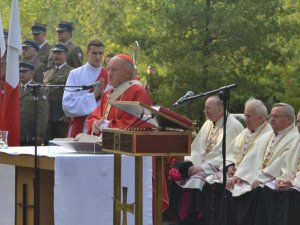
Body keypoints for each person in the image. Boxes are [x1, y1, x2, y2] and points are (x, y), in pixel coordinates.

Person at [169, 95, 243, 224]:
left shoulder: (233, 125)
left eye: (208, 108)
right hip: (202, 164)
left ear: (220, 110)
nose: (204, 111)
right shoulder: (208, 122)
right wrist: (190, 163)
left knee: (197, 178)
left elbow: (230, 155)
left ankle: (195, 216)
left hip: (220, 168)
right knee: (177, 170)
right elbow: (197, 148)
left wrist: (202, 167)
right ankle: (180, 214)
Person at [225, 102, 299, 225]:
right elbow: (251, 157)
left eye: (276, 116)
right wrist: (239, 175)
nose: (272, 119)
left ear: (288, 119)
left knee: (258, 191)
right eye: (271, 116)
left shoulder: (294, 137)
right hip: (257, 177)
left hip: (272, 178)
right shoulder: (267, 135)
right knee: (229, 186)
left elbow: (282, 163)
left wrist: (262, 179)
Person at [203, 98, 272, 225]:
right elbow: (231, 153)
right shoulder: (245, 132)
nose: (245, 118)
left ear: (262, 118)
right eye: (245, 115)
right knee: (210, 182)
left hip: (250, 175)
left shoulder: (268, 134)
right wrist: (230, 165)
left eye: (249, 116)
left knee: (229, 188)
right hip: (236, 172)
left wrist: (239, 174)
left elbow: (258, 161)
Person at [86, 54, 152, 134]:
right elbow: (95, 115)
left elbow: (138, 122)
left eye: (114, 70)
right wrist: (95, 123)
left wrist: (108, 125)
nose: (109, 74)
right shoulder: (108, 93)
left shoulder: (138, 92)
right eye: (108, 69)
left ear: (127, 73)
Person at [62, 40, 108, 137]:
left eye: (100, 53)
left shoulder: (109, 75)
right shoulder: (75, 74)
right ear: (87, 53)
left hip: (100, 129)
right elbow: (67, 105)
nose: (98, 57)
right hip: (80, 127)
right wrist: (94, 96)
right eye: (94, 53)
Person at [254, 137, 300, 225]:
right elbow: (287, 166)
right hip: (292, 183)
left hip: (296, 187)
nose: (298, 126)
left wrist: (293, 183)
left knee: (290, 194)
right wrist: (281, 179)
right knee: (267, 189)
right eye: (297, 122)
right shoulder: (297, 141)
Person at [43, 43, 73, 140]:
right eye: (54, 53)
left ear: (66, 55)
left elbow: (72, 93)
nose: (56, 55)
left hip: (61, 117)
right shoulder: (48, 73)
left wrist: (68, 114)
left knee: (62, 144)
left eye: (59, 53)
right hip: (48, 116)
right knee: (47, 145)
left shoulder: (71, 72)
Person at [19, 61, 48, 146]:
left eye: (24, 72)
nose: (21, 74)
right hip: (16, 132)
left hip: (30, 134)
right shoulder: (14, 89)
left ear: (31, 73)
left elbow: (42, 114)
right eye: (20, 71)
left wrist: (40, 134)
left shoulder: (39, 89)